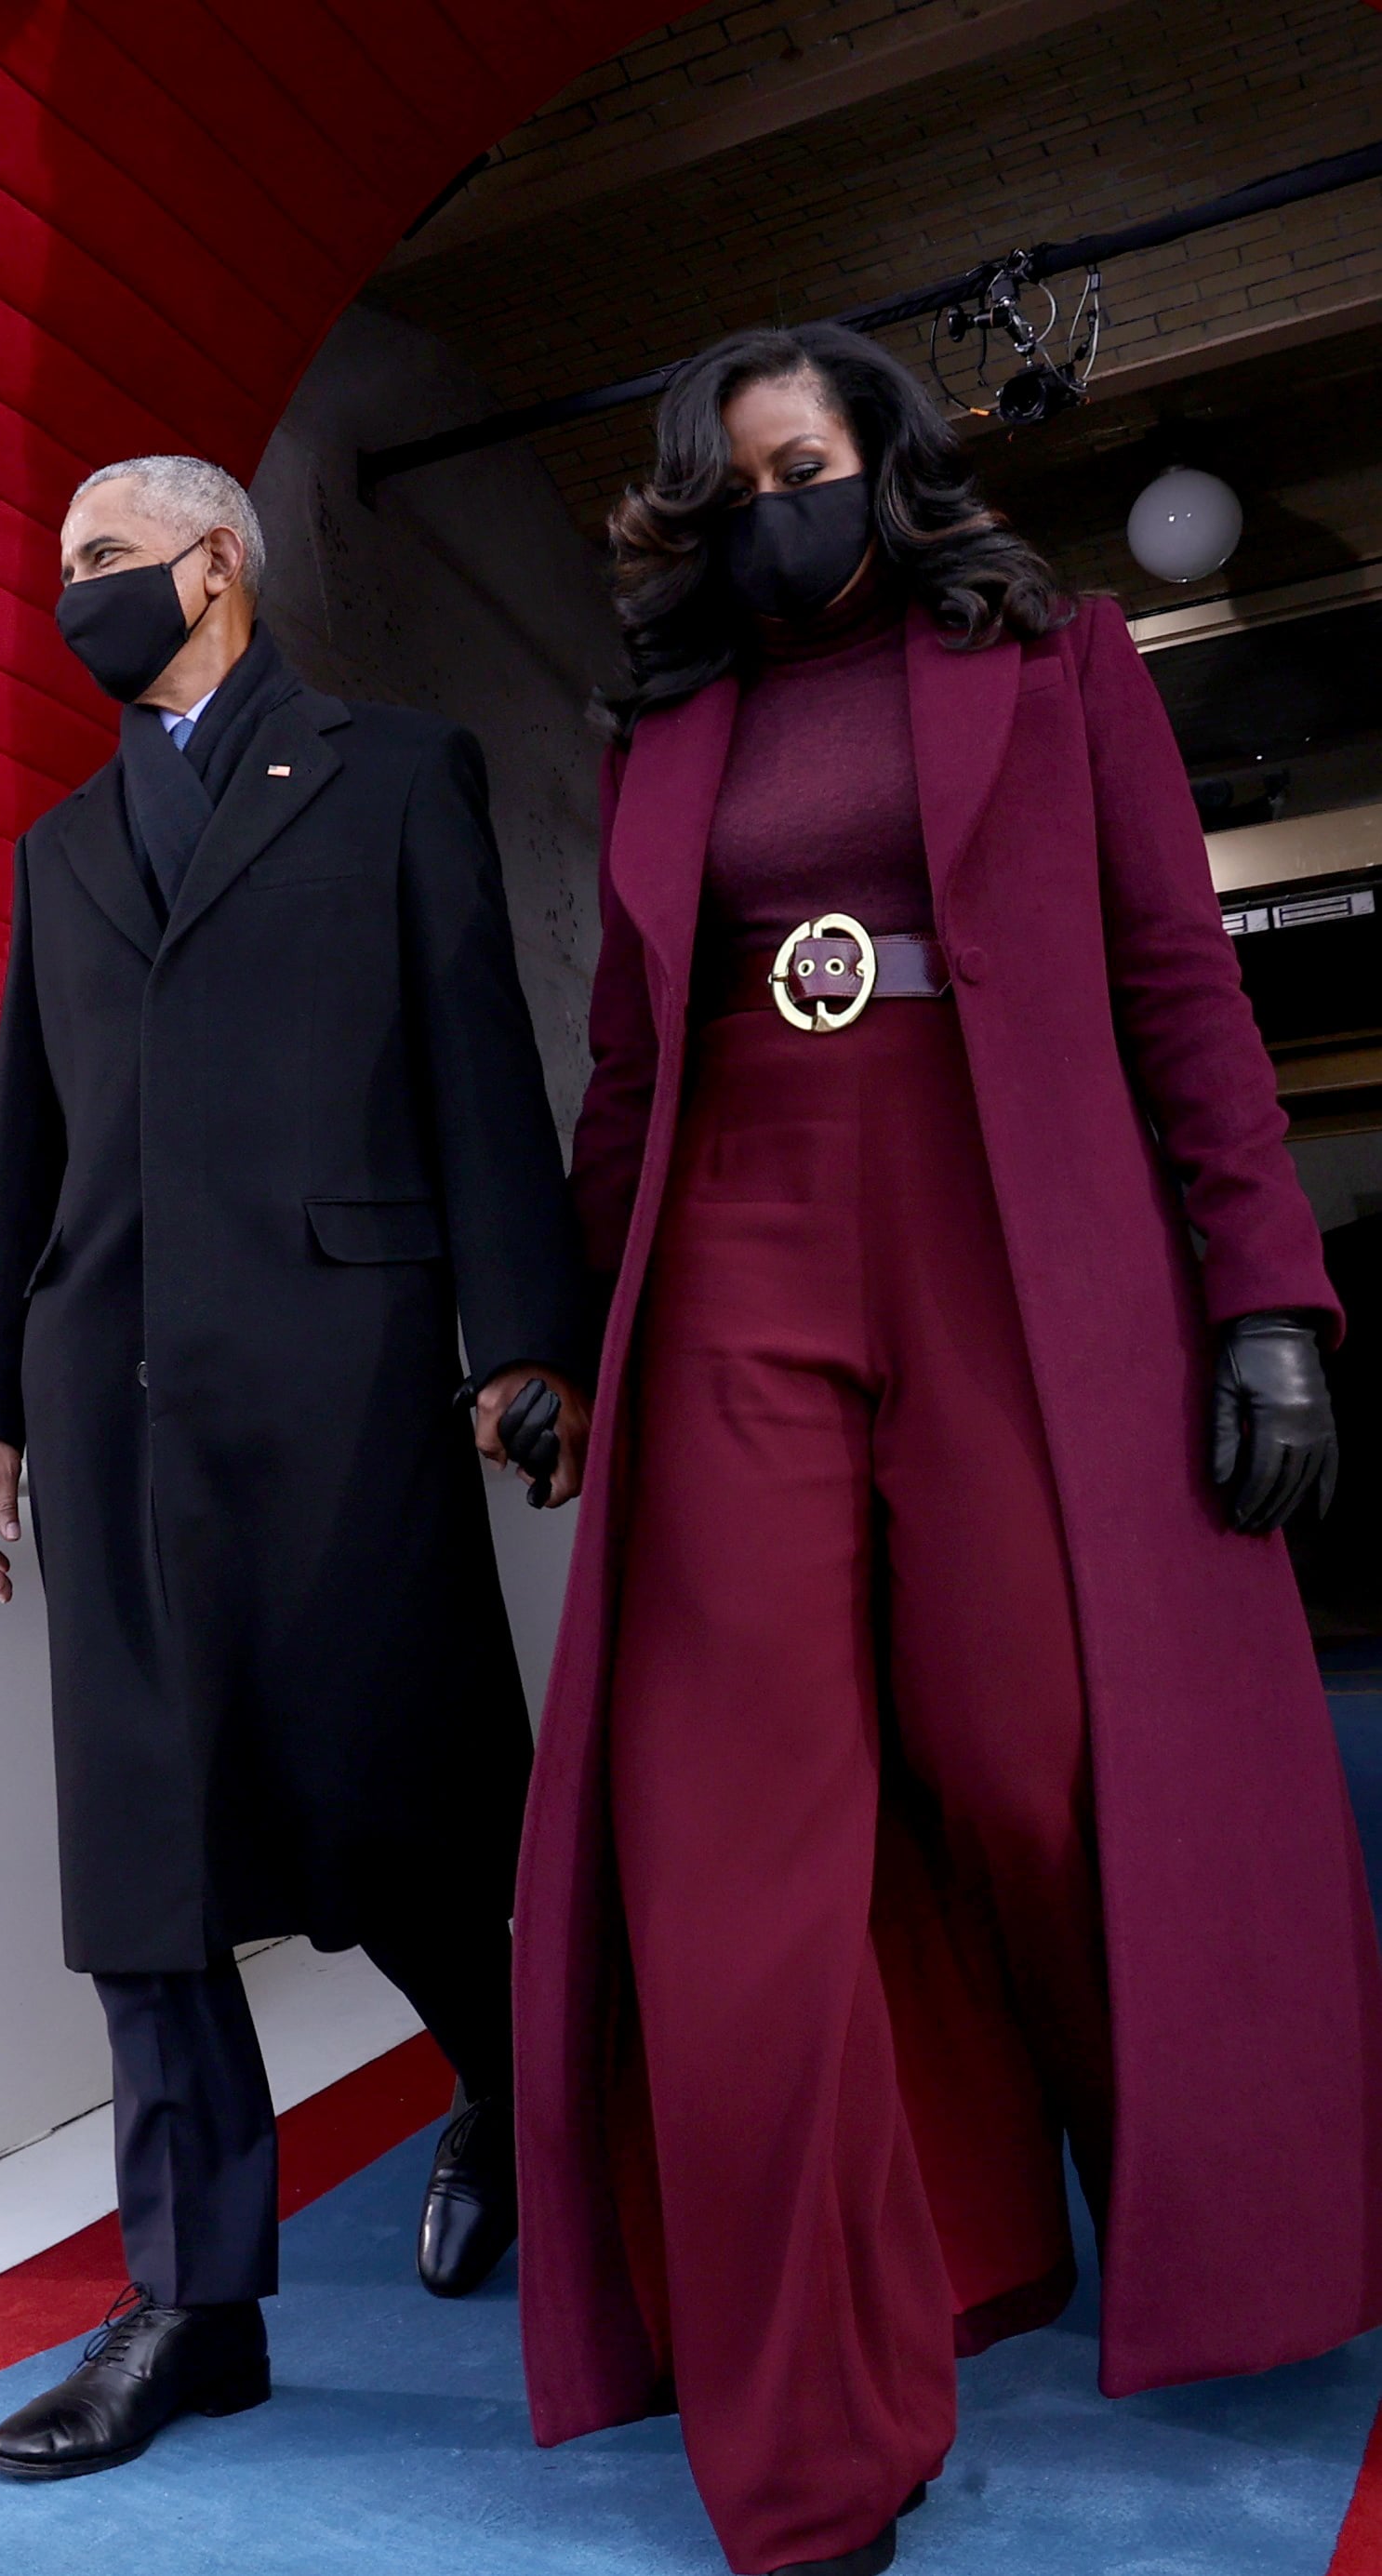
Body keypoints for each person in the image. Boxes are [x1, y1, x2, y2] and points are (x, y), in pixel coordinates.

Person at [511, 325, 1382, 2576]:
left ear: (882, 464)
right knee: (730, 1840)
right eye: (721, 488)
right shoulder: (662, 724)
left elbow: (1181, 981)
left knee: (1031, 1756)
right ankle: (807, 2440)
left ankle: (1133, 2202)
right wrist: (554, 1339)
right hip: (729, 1262)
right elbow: (623, 1071)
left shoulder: (1058, 657)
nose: (763, 509)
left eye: (797, 464)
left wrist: (1268, 1294)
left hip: (1012, 1246)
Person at [0, 453, 591, 2481]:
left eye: (106, 562)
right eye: (63, 572)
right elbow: (18, 1144)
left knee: (396, 1821)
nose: (77, 598)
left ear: (217, 562)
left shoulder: (393, 773)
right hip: (112, 1397)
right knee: (149, 1871)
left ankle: (509, 2092)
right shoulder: (60, 847)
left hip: (342, 1389)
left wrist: (524, 1335)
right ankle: (192, 2306)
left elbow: (479, 1057)